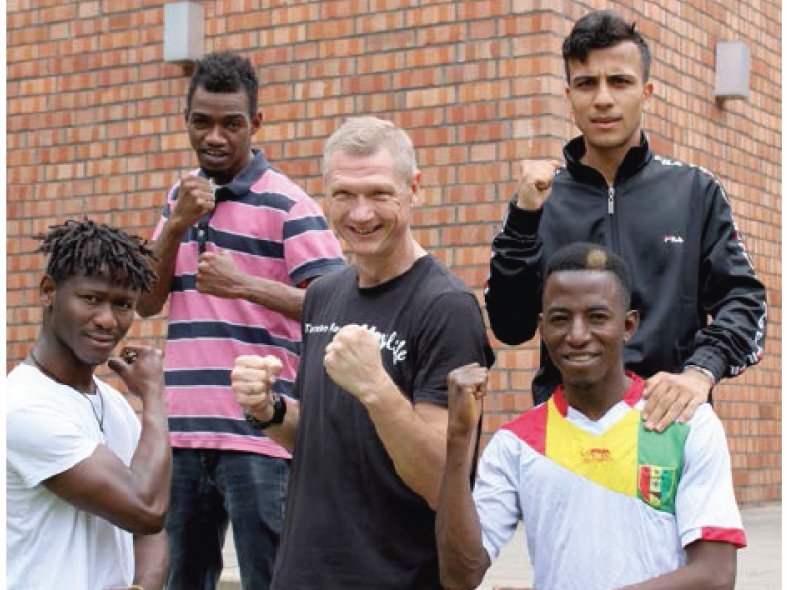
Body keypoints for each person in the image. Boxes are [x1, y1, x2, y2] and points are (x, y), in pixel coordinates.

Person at [231, 116, 494, 589]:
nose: (360, 213)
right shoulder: (324, 294)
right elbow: (320, 437)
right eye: (344, 195)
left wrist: (376, 387)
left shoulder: (447, 308)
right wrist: (269, 410)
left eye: (378, 193)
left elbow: (441, 479)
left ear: (414, 190)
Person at [485, 10, 767, 431]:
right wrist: (524, 220)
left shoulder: (694, 192)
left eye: (619, 82)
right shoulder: (540, 199)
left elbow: (745, 302)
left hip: (669, 428)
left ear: (646, 92)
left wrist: (699, 372)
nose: (602, 98)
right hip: (567, 435)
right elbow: (509, 326)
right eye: (586, 84)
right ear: (569, 95)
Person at [136, 51, 344, 589]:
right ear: (186, 120)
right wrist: (177, 224)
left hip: (259, 433)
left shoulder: (289, 204)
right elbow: (145, 302)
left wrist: (243, 285)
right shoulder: (178, 201)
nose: (215, 137)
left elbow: (336, 307)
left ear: (255, 124)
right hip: (183, 431)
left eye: (231, 123)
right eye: (201, 122)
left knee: (271, 580)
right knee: (182, 580)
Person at [437, 242, 746, 590]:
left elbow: (716, 577)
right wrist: (459, 438)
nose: (578, 335)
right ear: (543, 327)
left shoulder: (686, 424)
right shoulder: (516, 443)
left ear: (628, 325)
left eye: (597, 317)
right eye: (560, 319)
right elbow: (459, 576)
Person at [6, 218, 171, 590]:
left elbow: (151, 529)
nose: (107, 320)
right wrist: (155, 397)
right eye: (91, 299)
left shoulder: (113, 405)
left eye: (123, 305)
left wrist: (142, 586)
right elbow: (146, 509)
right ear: (48, 291)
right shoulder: (22, 408)